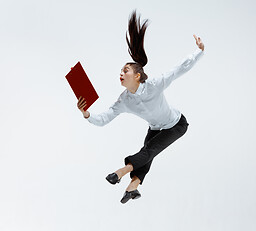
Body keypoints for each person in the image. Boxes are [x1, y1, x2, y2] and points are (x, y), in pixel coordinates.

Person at [77, 10, 205, 204]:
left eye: (125, 70)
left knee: (149, 150)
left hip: (176, 125)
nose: (121, 73)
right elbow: (103, 119)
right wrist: (86, 113)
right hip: (155, 128)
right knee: (147, 154)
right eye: (120, 70)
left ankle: (119, 173)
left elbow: (180, 68)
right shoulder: (124, 100)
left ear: (137, 75)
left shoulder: (155, 84)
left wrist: (199, 51)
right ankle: (132, 188)